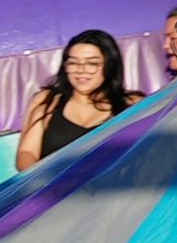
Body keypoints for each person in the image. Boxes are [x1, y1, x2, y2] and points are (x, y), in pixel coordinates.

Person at [18, 28, 135, 168]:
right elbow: (26, 153)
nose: (80, 70)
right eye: (73, 63)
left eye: (92, 63)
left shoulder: (131, 105)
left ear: (110, 65)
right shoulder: (46, 101)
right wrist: (42, 184)